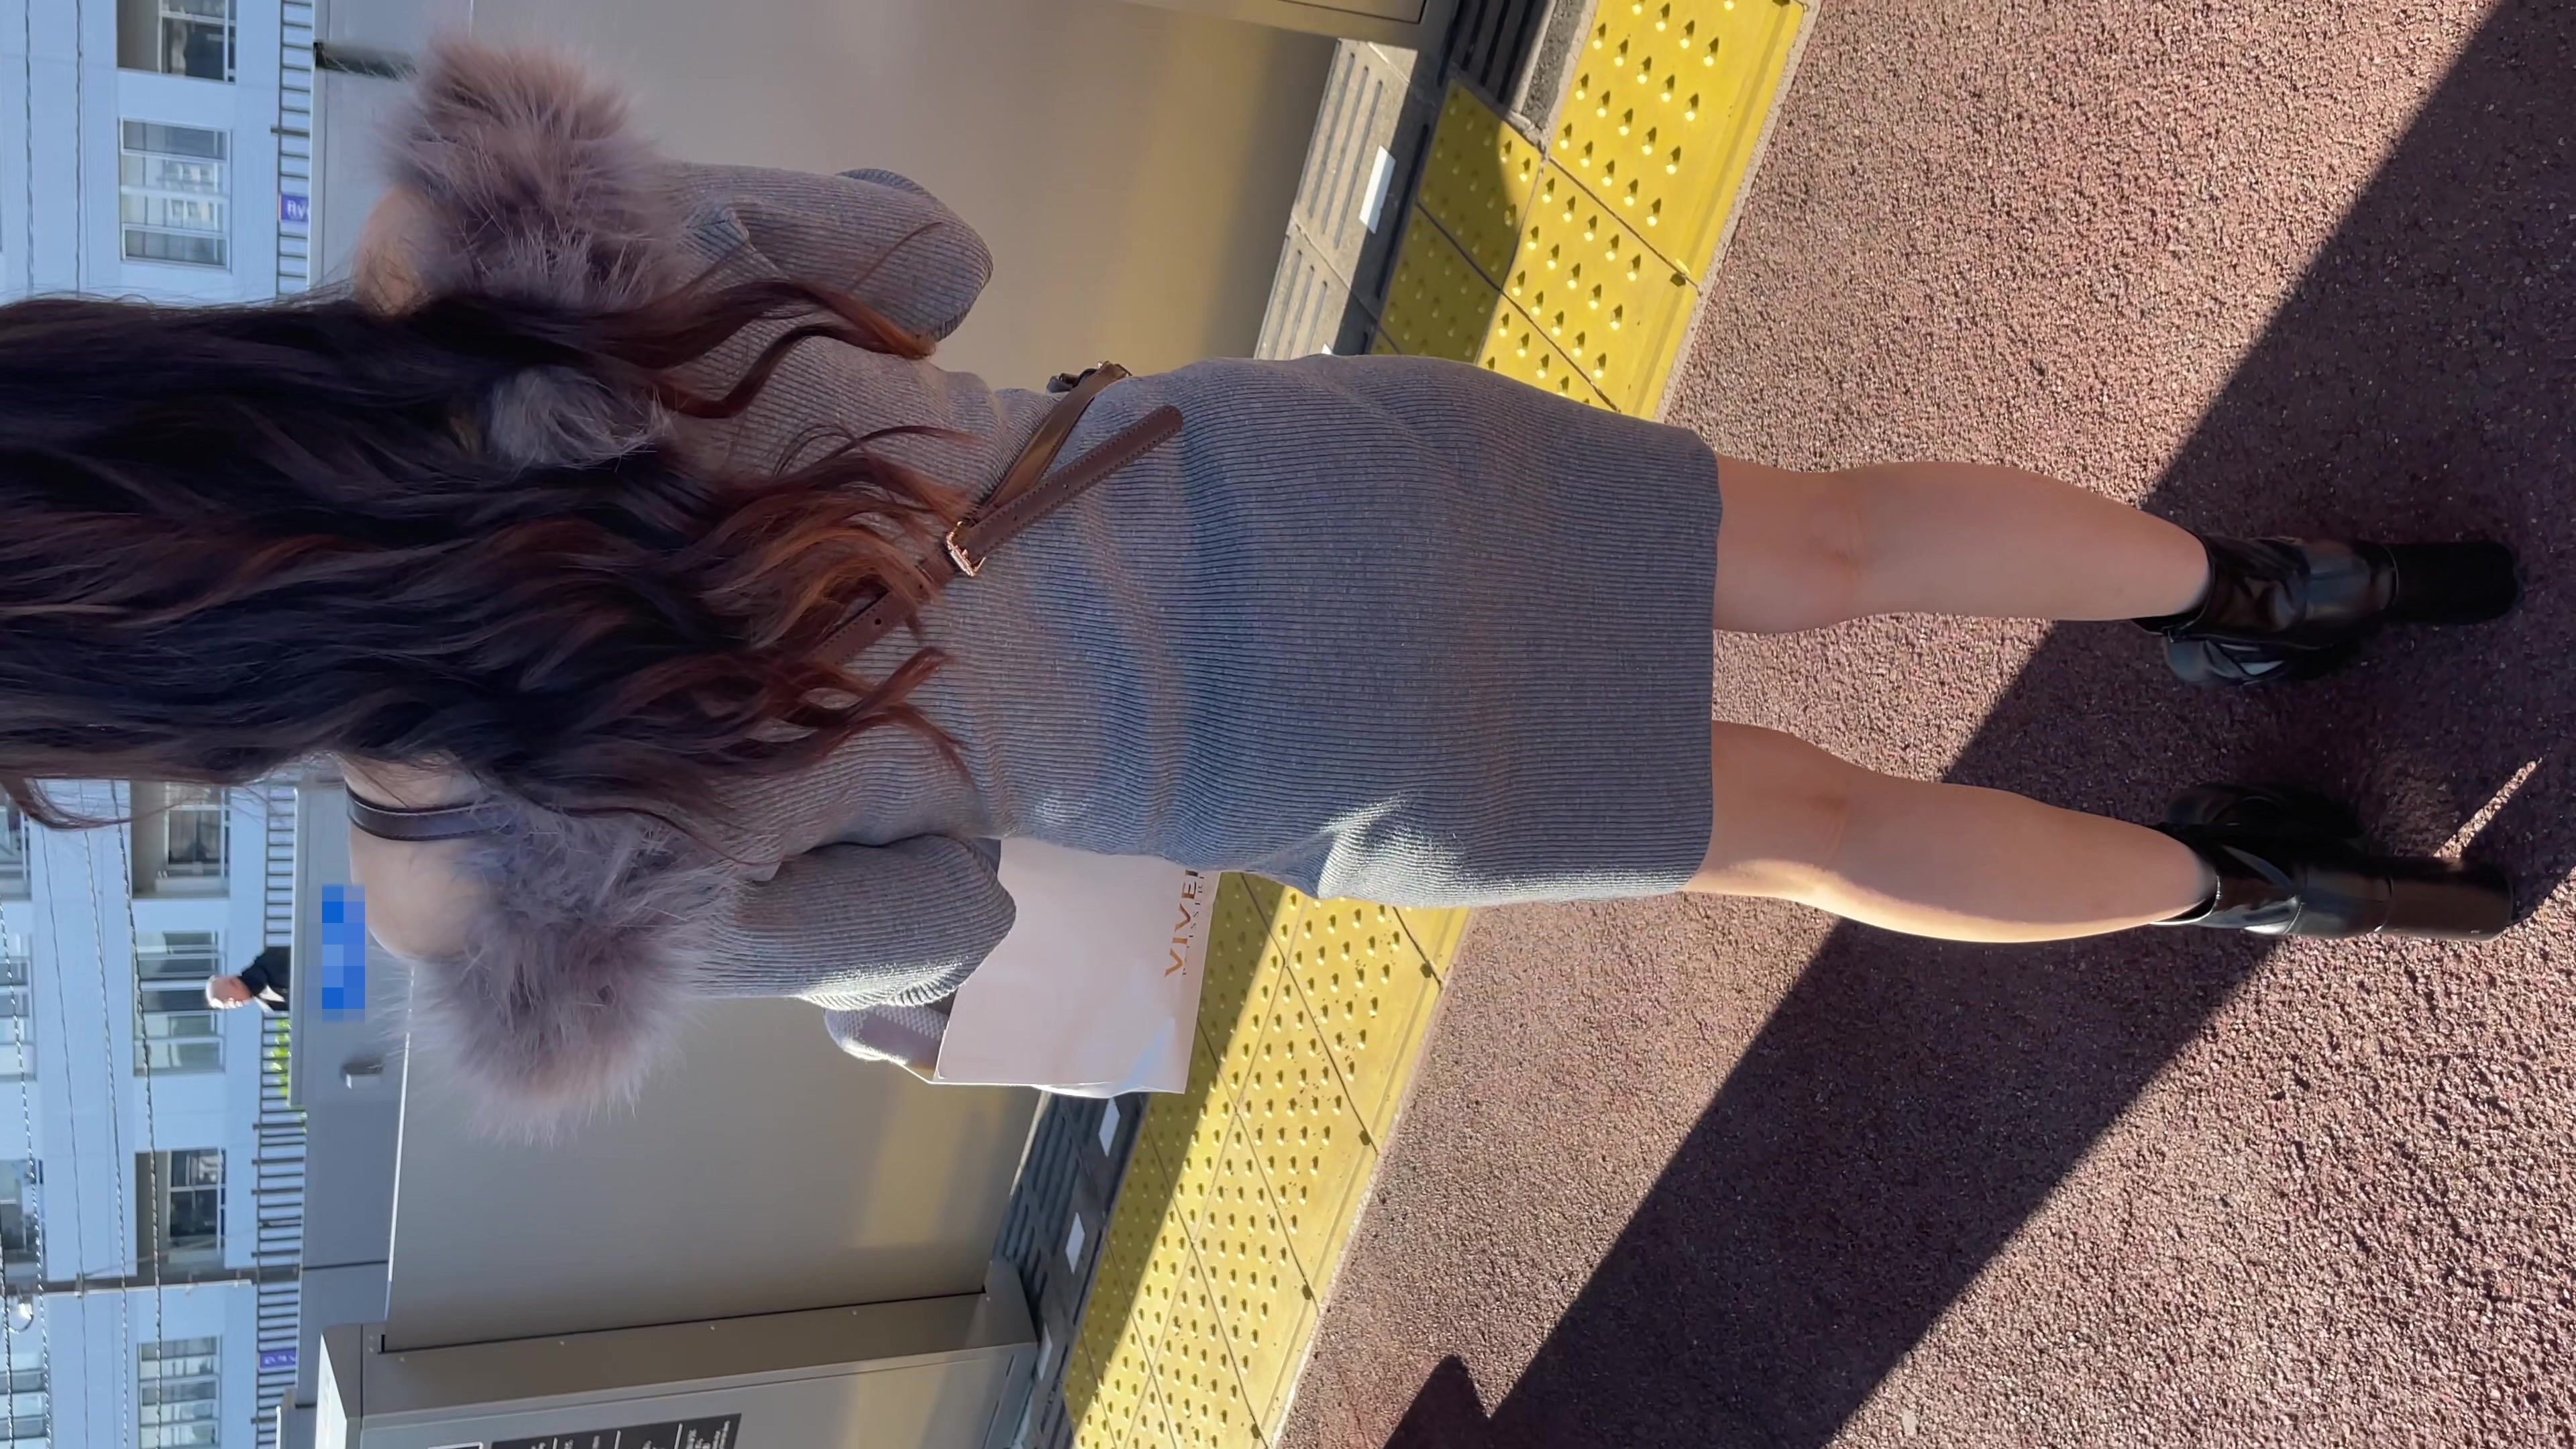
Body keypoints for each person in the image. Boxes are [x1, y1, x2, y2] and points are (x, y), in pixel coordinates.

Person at [0, 42, 2518, 1118]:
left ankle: (2252, 887)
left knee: (1817, 832)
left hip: (1314, 764)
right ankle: (2274, 579)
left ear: (141, 712)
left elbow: (944, 907)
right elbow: (929, 251)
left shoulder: (463, 882)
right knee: (1827, 536)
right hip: (1297, 477)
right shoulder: (487, 256)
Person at [206, 945, 291, 1013]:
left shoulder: (268, 960)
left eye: (226, 1000)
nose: (233, 1005)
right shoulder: (268, 1005)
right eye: (228, 1007)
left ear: (232, 982)